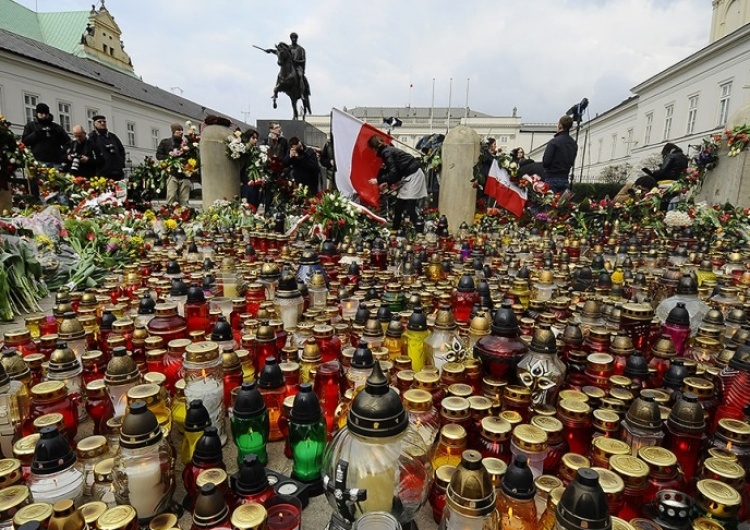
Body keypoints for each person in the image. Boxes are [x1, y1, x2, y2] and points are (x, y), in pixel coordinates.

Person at [367, 135, 427, 231]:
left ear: (374, 148)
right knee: (398, 207)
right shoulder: (387, 151)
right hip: (408, 175)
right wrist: (388, 183)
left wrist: (379, 180)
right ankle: (394, 231)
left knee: (410, 208)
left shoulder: (386, 153)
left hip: (414, 175)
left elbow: (393, 172)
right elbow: (397, 172)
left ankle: (420, 232)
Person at [21, 103, 70, 167]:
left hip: (56, 161)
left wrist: (62, 153)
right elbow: (24, 142)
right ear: (37, 114)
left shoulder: (56, 127)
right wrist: (36, 134)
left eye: (46, 114)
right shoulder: (30, 126)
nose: (44, 116)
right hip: (39, 161)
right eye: (41, 114)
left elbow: (68, 142)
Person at [156, 123, 190, 206]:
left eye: (182, 130)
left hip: (185, 173)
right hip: (171, 173)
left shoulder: (186, 144)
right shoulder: (166, 142)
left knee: (184, 199)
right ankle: (170, 213)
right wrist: (170, 158)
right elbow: (159, 155)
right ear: (173, 131)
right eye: (178, 130)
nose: (181, 132)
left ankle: (184, 214)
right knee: (171, 196)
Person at [542, 115, 578, 193]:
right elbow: (571, 161)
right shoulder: (573, 144)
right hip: (565, 178)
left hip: (552, 178)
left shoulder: (554, 142)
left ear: (560, 125)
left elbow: (546, 162)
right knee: (562, 204)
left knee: (549, 203)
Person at [88, 115, 126, 180]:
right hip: (102, 173)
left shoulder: (113, 136)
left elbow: (121, 150)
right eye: (100, 122)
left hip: (117, 172)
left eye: (104, 122)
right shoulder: (92, 137)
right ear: (94, 123)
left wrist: (120, 162)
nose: (102, 123)